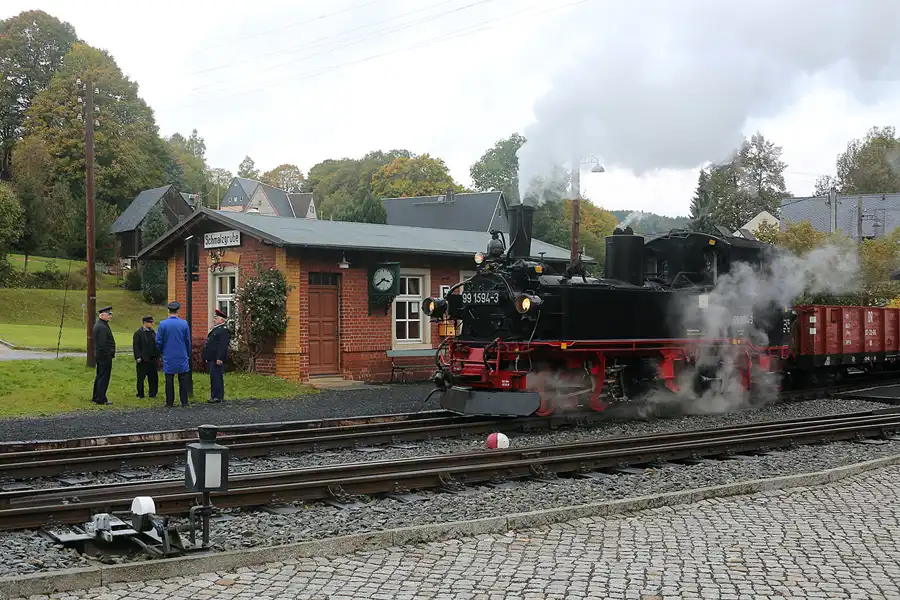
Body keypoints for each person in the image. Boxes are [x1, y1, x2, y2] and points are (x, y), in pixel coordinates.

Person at [156, 301, 191, 407]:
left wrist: (161, 352)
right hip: (181, 355)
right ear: (178, 311)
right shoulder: (184, 323)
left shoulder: (162, 324)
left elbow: (158, 341)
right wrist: (187, 353)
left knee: (169, 380)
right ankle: (184, 401)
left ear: (168, 311)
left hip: (168, 355)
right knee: (183, 379)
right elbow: (187, 340)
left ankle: (169, 402)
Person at [202, 308, 230, 403]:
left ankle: (217, 396)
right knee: (213, 377)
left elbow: (223, 346)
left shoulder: (223, 331)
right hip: (212, 358)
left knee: (217, 377)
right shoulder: (216, 329)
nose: (214, 320)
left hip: (216, 358)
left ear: (222, 320)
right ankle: (214, 395)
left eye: (216, 318)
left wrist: (220, 358)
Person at [91, 306, 115, 405]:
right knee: (103, 377)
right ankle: (101, 398)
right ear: (102, 315)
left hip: (101, 355)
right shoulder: (102, 327)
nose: (110, 316)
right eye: (109, 314)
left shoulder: (101, 325)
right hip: (104, 356)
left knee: (100, 375)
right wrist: (108, 354)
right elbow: (102, 344)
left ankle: (96, 396)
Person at [133, 315, 160, 399]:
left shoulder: (152, 332)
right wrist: (138, 357)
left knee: (153, 377)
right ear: (145, 323)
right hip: (143, 359)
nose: (152, 324)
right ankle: (140, 394)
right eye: (150, 322)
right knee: (141, 377)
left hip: (152, 359)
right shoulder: (138, 333)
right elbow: (136, 346)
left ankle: (153, 393)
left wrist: (158, 355)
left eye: (152, 322)